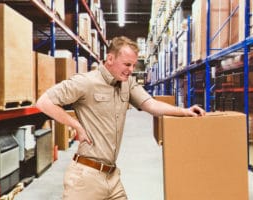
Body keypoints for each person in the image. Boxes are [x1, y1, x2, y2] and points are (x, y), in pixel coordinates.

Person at [36, 36, 205, 200]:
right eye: (126, 64)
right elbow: (44, 102)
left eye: (133, 65)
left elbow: (150, 104)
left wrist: (184, 111)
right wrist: (76, 125)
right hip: (86, 178)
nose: (131, 70)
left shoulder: (127, 83)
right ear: (110, 59)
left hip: (112, 176)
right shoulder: (86, 82)